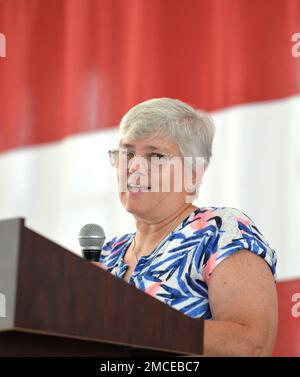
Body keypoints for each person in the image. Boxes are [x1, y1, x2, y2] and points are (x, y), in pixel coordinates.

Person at [95, 98, 278, 357]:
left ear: (193, 173)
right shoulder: (107, 254)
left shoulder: (220, 231)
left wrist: (139, 324)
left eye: (155, 155)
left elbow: (251, 346)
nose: (134, 166)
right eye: (127, 153)